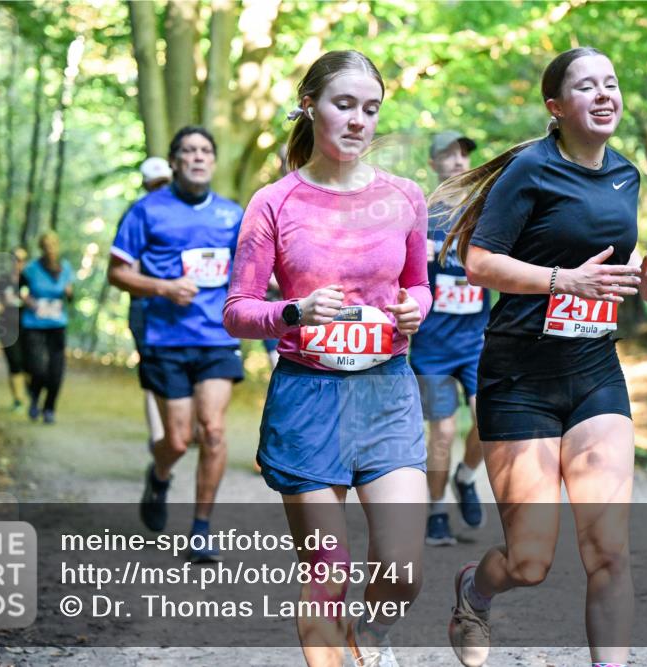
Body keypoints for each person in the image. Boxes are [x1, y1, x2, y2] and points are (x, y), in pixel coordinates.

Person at [434, 47, 647, 667]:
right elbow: (480, 262)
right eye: (587, 86)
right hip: (519, 379)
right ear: (556, 108)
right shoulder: (530, 170)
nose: (605, 94)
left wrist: (641, 278)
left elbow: (603, 261)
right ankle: (474, 590)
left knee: (609, 551)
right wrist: (563, 281)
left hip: (594, 375)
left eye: (611, 83)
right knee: (530, 562)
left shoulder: (626, 175)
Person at [224, 50, 432, 667]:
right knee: (327, 575)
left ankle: (373, 639)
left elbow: (419, 285)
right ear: (310, 104)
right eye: (345, 104)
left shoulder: (405, 197)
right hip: (307, 399)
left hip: (386, 392)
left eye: (371, 109)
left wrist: (416, 309)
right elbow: (238, 310)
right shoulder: (273, 202)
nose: (359, 121)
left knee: (402, 571)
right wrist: (295, 312)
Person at [108, 126, 244, 563]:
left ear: (214, 161)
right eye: (188, 151)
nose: (198, 157)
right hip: (165, 339)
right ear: (174, 162)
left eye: (206, 150)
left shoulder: (231, 214)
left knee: (215, 431)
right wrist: (164, 288)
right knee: (179, 439)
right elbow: (117, 272)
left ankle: (201, 528)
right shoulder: (146, 211)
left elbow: (251, 270)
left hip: (217, 337)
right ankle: (160, 472)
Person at [409, 131, 489, 547]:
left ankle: (466, 477)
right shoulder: (419, 214)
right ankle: (436, 510)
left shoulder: (489, 212)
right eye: (448, 155)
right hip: (432, 347)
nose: (459, 161)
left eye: (464, 154)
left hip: (477, 341)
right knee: (440, 433)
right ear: (433, 163)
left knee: (489, 418)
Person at [126, 157, 174, 450]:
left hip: (185, 308)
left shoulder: (188, 214)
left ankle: (180, 428)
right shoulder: (135, 216)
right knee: (153, 369)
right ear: (145, 185)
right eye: (155, 185)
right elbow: (124, 267)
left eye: (164, 184)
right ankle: (158, 436)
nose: (160, 189)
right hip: (145, 308)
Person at [21, 232, 75, 425]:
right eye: (46, 244)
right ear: (41, 247)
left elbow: (70, 295)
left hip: (57, 325)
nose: (50, 248)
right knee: (38, 368)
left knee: (56, 371)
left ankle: (49, 408)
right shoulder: (31, 269)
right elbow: (20, 289)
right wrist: (26, 299)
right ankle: (34, 397)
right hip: (34, 324)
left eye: (53, 244)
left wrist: (69, 293)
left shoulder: (66, 268)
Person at [0, 247, 28, 411]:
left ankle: (28, 395)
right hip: (7, 327)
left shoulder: (29, 281)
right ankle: (18, 400)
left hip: (28, 327)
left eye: (21, 259)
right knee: (15, 362)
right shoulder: (2, 281)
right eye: (15, 259)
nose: (18, 263)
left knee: (29, 363)